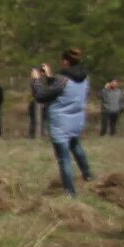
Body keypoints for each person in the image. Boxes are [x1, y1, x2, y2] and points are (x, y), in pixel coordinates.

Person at [31, 50, 93, 196]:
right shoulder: (84, 77)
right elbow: (64, 90)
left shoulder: (62, 79)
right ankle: (89, 176)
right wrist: (49, 77)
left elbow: (41, 96)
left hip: (60, 123)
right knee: (75, 145)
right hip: (76, 120)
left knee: (63, 158)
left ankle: (70, 192)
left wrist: (36, 80)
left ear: (65, 61)